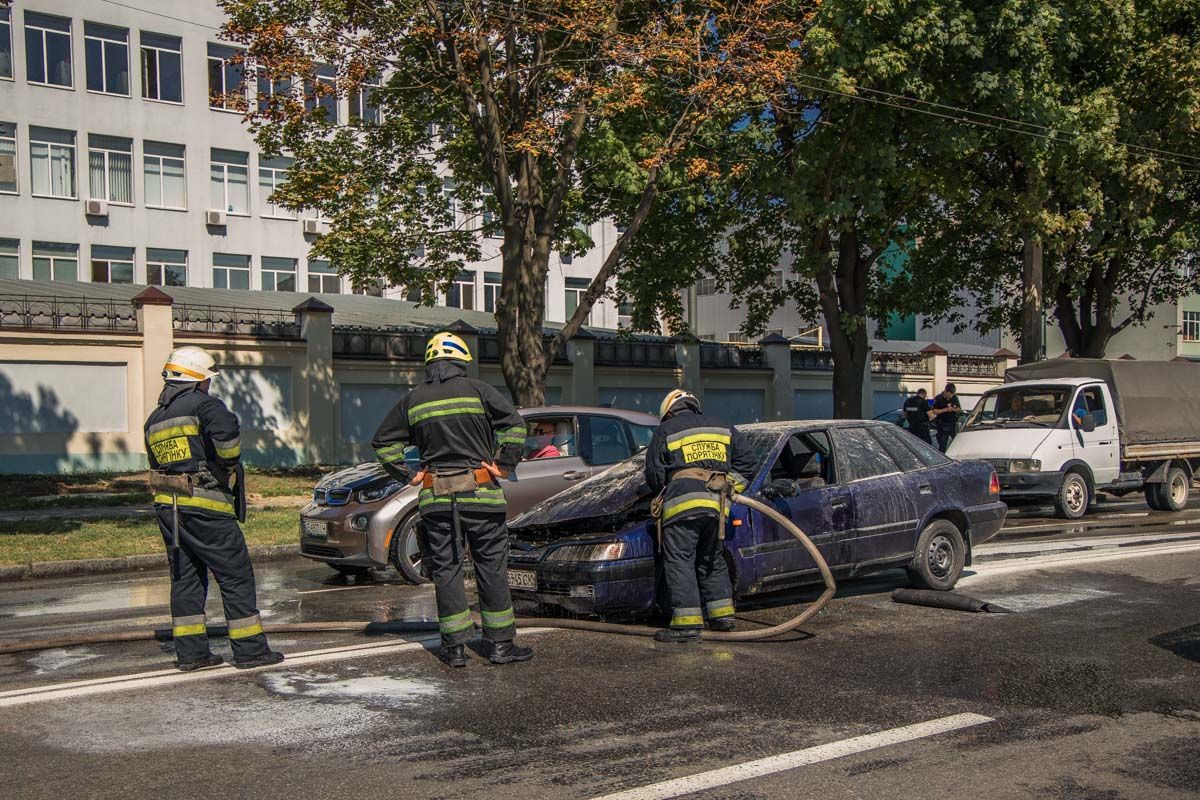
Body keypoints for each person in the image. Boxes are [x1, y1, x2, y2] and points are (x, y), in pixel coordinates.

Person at [372, 332, 531, 668]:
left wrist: (408, 473)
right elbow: (514, 426)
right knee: (491, 568)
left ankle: (455, 649)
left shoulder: (414, 399)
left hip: (437, 498)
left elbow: (383, 443)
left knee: (446, 569)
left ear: (430, 364)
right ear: (462, 361)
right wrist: (503, 464)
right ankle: (501, 645)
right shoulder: (480, 390)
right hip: (482, 496)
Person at [144, 346, 284, 671]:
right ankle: (250, 651)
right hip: (206, 507)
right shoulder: (205, 405)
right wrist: (227, 462)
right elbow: (228, 438)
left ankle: (192, 655)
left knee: (186, 580)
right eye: (208, 379)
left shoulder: (155, 418)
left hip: (170, 510)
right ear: (198, 379)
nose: (209, 385)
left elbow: (158, 464)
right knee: (235, 576)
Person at [645, 389, 757, 644]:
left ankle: (687, 624)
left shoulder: (666, 430)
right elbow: (749, 464)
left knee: (680, 560)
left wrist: (665, 488)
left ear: (669, 412)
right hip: (716, 507)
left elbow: (654, 474)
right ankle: (723, 618)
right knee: (711, 558)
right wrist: (730, 488)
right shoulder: (723, 427)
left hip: (681, 505)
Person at [930, 382, 962, 452]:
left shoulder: (954, 398)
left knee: (956, 443)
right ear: (946, 391)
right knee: (943, 445)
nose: (951, 396)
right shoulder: (938, 398)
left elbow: (959, 409)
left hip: (953, 424)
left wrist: (954, 409)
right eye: (950, 394)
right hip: (942, 425)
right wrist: (946, 410)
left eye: (952, 394)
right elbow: (934, 411)